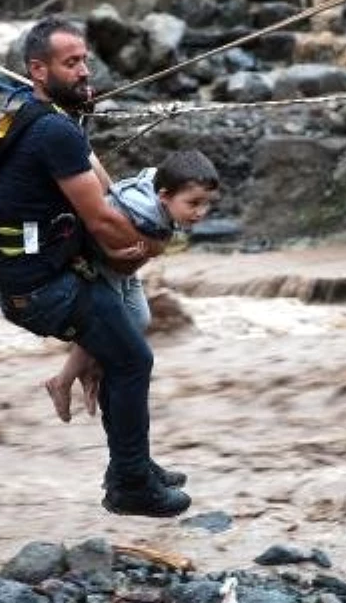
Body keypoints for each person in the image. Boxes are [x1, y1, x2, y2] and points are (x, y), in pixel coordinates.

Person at [0, 16, 190, 518]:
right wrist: (154, 244)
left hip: (30, 277)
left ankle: (131, 465)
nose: (83, 71)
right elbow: (100, 219)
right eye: (70, 63)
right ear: (38, 69)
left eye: (84, 61)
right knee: (131, 359)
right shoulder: (54, 129)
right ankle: (130, 485)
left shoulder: (39, 114)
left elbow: (94, 170)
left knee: (125, 336)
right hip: (40, 289)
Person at [43, 150, 220, 424]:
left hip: (124, 270)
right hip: (103, 267)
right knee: (111, 327)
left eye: (206, 204)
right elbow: (93, 221)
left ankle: (91, 370)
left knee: (139, 319)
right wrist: (111, 253)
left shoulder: (161, 191)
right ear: (163, 196)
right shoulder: (142, 210)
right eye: (194, 203)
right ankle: (63, 381)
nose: (201, 212)